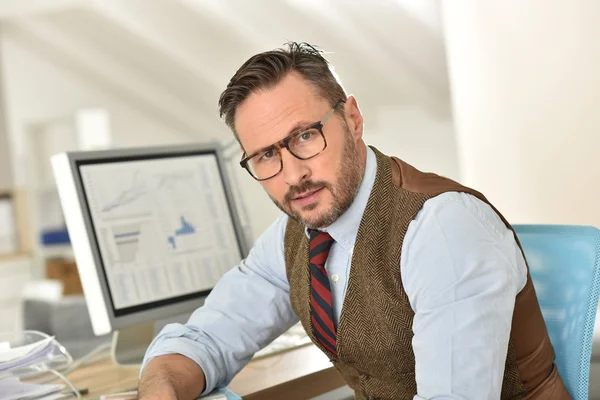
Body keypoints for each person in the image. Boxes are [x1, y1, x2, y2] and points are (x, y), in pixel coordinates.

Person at [137, 42, 569, 400]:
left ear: (353, 119)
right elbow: (208, 339)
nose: (293, 175)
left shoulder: (442, 229)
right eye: (267, 154)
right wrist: (162, 385)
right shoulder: (295, 236)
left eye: (305, 136)